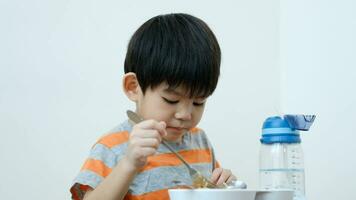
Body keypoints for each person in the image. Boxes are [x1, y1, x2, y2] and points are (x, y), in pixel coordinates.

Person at [70, 13, 237, 200]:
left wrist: (225, 186)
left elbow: (213, 189)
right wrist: (129, 164)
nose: (185, 114)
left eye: (198, 102)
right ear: (133, 87)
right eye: (171, 100)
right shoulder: (112, 147)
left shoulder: (200, 141)